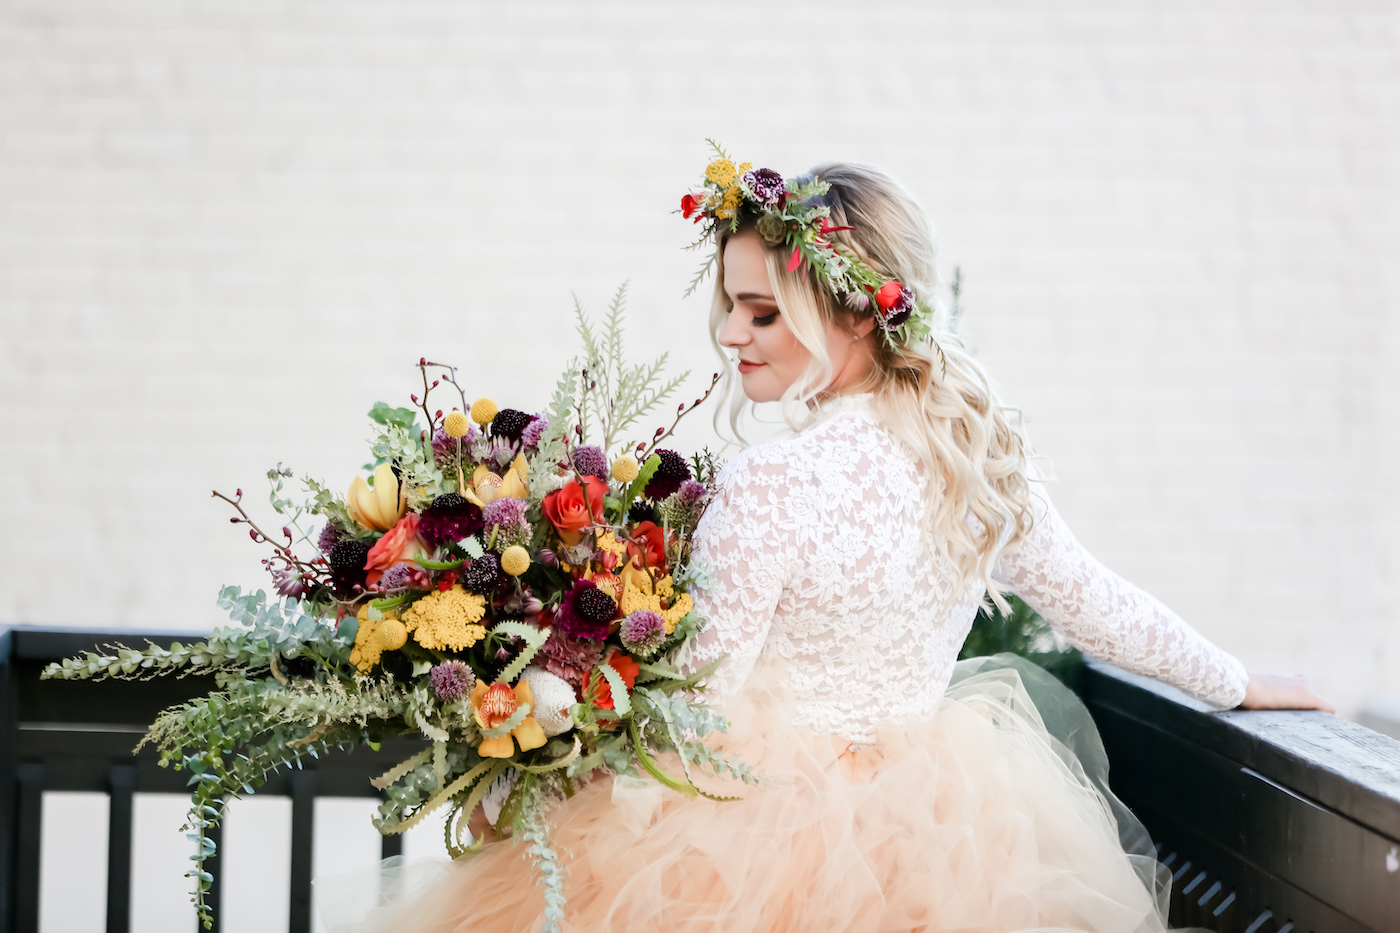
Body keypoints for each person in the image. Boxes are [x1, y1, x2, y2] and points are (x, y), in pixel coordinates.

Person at [330, 157, 1332, 932]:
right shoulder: (973, 463)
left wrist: (535, 760)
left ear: (853, 308)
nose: (730, 334)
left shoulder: (773, 480)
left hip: (746, 834)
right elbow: (1094, 603)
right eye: (727, 305)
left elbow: (700, 708)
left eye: (761, 310)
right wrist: (1233, 680)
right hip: (948, 838)